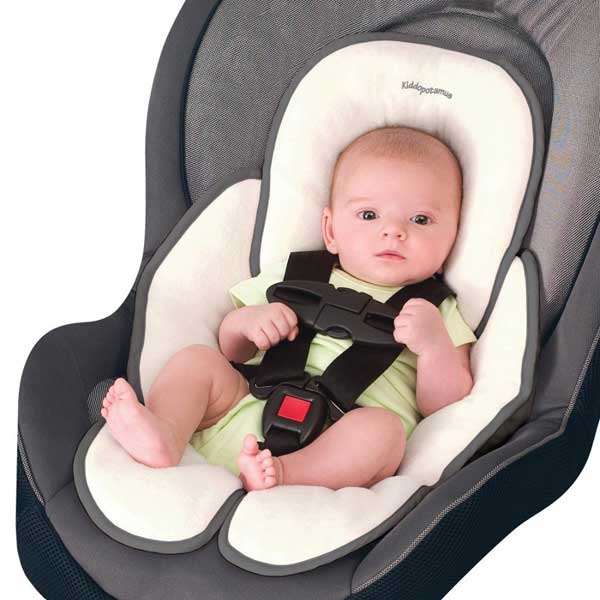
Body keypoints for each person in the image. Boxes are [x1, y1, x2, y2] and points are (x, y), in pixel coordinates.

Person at [101, 125, 477, 492]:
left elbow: (446, 403)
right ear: (330, 230)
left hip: (339, 439)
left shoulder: (435, 309)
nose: (393, 230)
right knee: (198, 360)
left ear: (452, 238)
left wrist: (434, 347)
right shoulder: (296, 274)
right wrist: (248, 323)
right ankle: (165, 433)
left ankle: (282, 474)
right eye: (368, 215)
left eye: (421, 219)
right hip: (248, 402)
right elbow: (232, 349)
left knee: (385, 432)